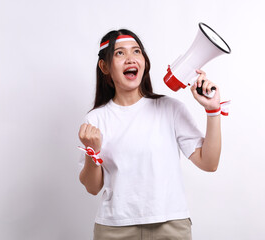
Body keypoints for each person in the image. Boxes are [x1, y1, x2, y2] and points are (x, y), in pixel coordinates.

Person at [78, 29, 223, 240]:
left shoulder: (171, 109)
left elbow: (209, 163)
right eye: (119, 53)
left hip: (170, 225)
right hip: (115, 229)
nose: (130, 58)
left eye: (136, 51)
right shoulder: (95, 120)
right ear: (105, 66)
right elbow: (92, 187)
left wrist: (213, 111)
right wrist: (93, 150)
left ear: (144, 61)